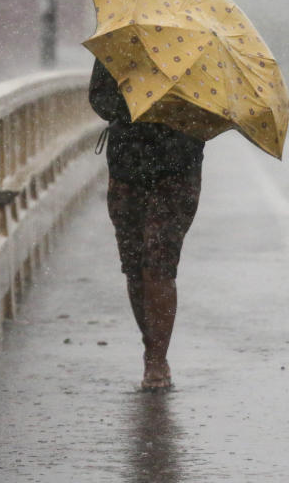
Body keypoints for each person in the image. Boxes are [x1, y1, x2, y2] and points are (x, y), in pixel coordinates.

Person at [89, 59, 205, 390]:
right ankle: (150, 346)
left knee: (159, 262)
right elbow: (100, 100)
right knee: (135, 265)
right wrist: (136, 96)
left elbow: (211, 110)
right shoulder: (122, 44)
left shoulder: (196, 50)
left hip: (178, 167)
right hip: (128, 165)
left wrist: (172, 105)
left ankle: (157, 359)